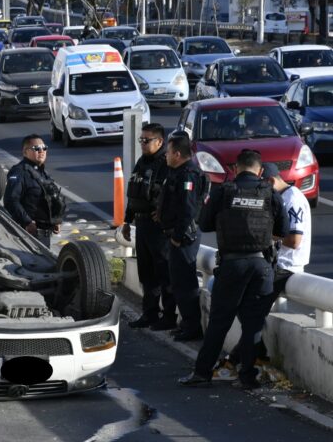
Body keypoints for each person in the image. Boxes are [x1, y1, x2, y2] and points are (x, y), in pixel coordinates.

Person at [179, 150, 288, 390]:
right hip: (261, 266)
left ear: (236, 169)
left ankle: (202, 373)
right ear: (260, 171)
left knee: (220, 322)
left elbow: (204, 222)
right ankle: (247, 377)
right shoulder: (270, 193)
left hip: (231, 265)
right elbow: (284, 229)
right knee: (253, 324)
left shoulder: (224, 191)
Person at [211, 162, 311, 381]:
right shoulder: (282, 196)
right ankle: (254, 357)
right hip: (271, 265)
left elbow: (294, 240)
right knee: (246, 312)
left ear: (271, 181)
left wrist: (263, 235)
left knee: (249, 313)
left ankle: (242, 360)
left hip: (284, 267)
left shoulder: (291, 199)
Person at [123, 124, 176, 330]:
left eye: (147, 140)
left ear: (159, 142)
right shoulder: (142, 162)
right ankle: (149, 313)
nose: (143, 144)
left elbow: (172, 195)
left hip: (158, 227)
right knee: (146, 274)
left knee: (164, 272)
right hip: (142, 223)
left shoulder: (166, 164)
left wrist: (164, 215)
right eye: (141, 140)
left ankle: (169, 316)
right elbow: (133, 192)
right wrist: (127, 221)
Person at [157, 133, 208, 342]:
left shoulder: (188, 175)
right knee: (177, 283)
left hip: (185, 237)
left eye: (168, 152)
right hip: (176, 235)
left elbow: (188, 210)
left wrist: (177, 237)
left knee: (186, 284)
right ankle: (186, 323)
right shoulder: (177, 172)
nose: (166, 156)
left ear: (177, 154)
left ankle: (193, 327)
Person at [4, 134, 66, 247]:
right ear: (25, 152)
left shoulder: (42, 173)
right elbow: (10, 200)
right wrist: (27, 222)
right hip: (27, 234)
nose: (41, 151)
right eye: (36, 148)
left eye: (44, 148)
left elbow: (49, 198)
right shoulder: (19, 172)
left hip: (45, 234)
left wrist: (56, 220)